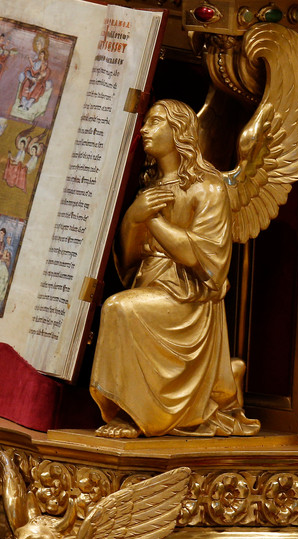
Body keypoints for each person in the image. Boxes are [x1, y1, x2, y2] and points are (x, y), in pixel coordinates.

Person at [89, 100, 259, 438]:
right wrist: (133, 218)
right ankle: (137, 409)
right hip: (152, 285)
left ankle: (137, 413)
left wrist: (150, 220)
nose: (145, 130)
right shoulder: (150, 188)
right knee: (119, 305)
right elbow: (128, 260)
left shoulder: (208, 188)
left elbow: (206, 260)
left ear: (179, 130)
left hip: (190, 301)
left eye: (155, 123)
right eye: (146, 123)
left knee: (117, 308)